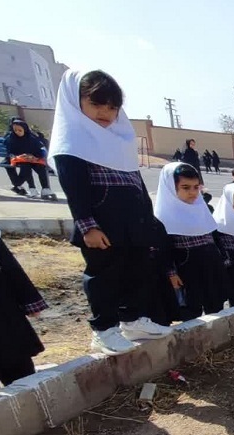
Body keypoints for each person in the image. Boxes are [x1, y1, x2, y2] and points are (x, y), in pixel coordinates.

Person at [50, 69, 173, 355]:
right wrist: (87, 226)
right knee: (104, 276)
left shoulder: (120, 141)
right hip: (102, 229)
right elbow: (75, 191)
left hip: (133, 225)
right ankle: (104, 330)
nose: (105, 112)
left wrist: (149, 222)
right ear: (76, 101)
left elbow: (137, 185)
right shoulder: (73, 145)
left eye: (112, 106)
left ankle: (133, 319)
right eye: (96, 104)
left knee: (137, 271)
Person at [154, 163, 226, 319]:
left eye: (196, 187)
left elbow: (214, 236)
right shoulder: (163, 217)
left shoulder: (201, 208)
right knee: (191, 308)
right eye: (185, 187)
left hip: (211, 265)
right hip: (187, 270)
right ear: (171, 187)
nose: (192, 193)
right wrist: (171, 274)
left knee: (215, 304)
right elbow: (164, 250)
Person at [0, 225, 48, 386]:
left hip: (2, 310)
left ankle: (30, 406)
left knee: (18, 368)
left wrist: (29, 300)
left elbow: (7, 262)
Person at [3, 119, 56, 199]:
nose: (17, 132)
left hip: (33, 159)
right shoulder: (12, 138)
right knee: (26, 168)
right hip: (19, 160)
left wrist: (33, 157)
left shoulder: (31, 138)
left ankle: (45, 189)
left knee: (41, 168)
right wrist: (19, 156)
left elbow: (38, 150)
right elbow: (10, 152)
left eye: (20, 130)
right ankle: (28, 187)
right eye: (15, 130)